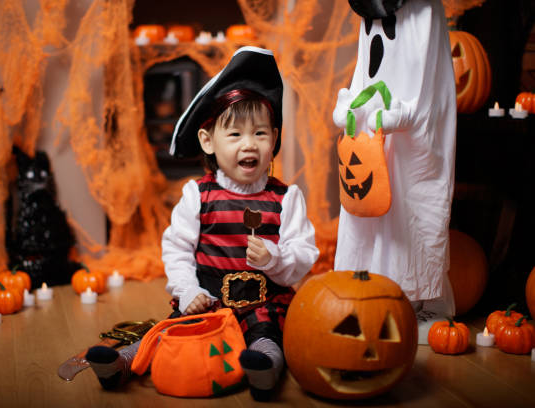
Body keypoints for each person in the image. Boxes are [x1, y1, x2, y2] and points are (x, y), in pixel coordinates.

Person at [86, 47, 319, 401]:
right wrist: (188, 291)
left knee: (267, 335)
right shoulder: (198, 195)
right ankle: (121, 363)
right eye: (235, 135)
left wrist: (274, 259)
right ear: (208, 141)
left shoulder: (286, 198)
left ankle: (265, 369)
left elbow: (303, 255)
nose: (249, 144)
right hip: (206, 299)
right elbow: (177, 250)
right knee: (172, 334)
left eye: (260, 133)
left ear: (274, 138)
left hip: (263, 303)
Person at [333, 0, 456, 343]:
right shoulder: (370, 11)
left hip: (410, 129)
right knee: (368, 211)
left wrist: (404, 114)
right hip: (375, 128)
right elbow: (367, 67)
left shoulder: (422, 13)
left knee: (411, 203)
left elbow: (422, 74)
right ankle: (367, 287)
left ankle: (415, 299)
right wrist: (350, 105)